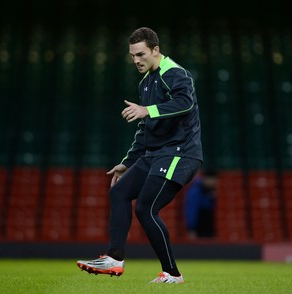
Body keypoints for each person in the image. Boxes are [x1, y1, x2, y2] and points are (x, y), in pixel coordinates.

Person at [76, 27, 203, 284]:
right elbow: (145, 130)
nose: (136, 60)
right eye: (132, 55)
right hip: (156, 153)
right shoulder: (145, 83)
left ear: (156, 50)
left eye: (141, 54)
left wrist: (147, 110)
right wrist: (127, 163)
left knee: (146, 208)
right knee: (119, 192)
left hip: (180, 153)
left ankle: (172, 274)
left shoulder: (175, 73)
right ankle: (114, 258)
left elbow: (184, 103)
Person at [185, 169, 217, 239]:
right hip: (199, 228)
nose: (214, 182)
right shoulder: (195, 191)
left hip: (208, 228)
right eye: (212, 179)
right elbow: (191, 210)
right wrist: (191, 228)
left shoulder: (211, 191)